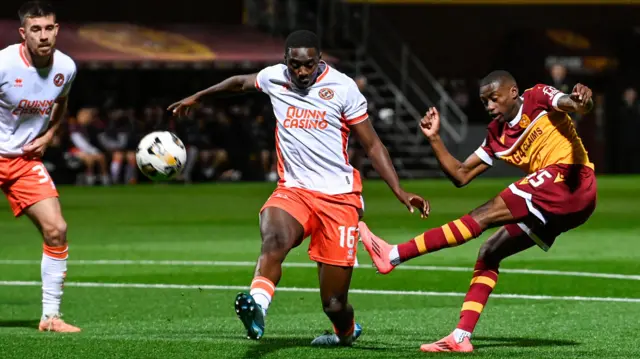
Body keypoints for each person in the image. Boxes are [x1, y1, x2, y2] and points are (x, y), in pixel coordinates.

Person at [168, 30, 429, 346]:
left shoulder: (343, 88)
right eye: (295, 65)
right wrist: (198, 96)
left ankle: (346, 331)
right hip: (294, 191)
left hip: (339, 199)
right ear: (285, 61)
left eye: (308, 65)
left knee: (334, 304)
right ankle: (258, 309)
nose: (302, 72)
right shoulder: (274, 78)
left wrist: (398, 189)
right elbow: (239, 82)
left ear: (319, 60)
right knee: (274, 240)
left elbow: (372, 145)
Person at [358, 70, 596, 352]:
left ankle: (394, 255)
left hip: (572, 178)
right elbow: (460, 175)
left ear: (512, 92)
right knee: (490, 252)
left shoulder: (537, 97)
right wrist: (434, 138)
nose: (490, 107)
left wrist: (583, 99)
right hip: (559, 202)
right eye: (484, 102)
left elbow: (575, 104)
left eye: (494, 99)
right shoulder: (496, 135)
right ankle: (460, 337)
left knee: (484, 214)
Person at [0, 1, 80, 332]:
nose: (43, 36)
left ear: (57, 30)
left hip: (23, 161)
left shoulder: (66, 67)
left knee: (56, 229)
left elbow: (61, 102)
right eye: (36, 29)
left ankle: (50, 317)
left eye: (49, 28)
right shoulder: (4, 63)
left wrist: (49, 135)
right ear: (24, 33)